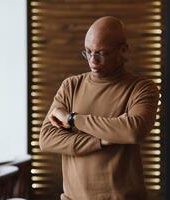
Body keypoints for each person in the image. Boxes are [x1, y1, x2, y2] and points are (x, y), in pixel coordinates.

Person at [39, 16, 159, 200]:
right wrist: (101, 141)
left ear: (123, 49)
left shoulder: (142, 88)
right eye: (88, 52)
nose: (93, 61)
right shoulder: (71, 86)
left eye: (102, 53)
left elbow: (133, 131)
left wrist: (72, 120)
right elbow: (47, 139)